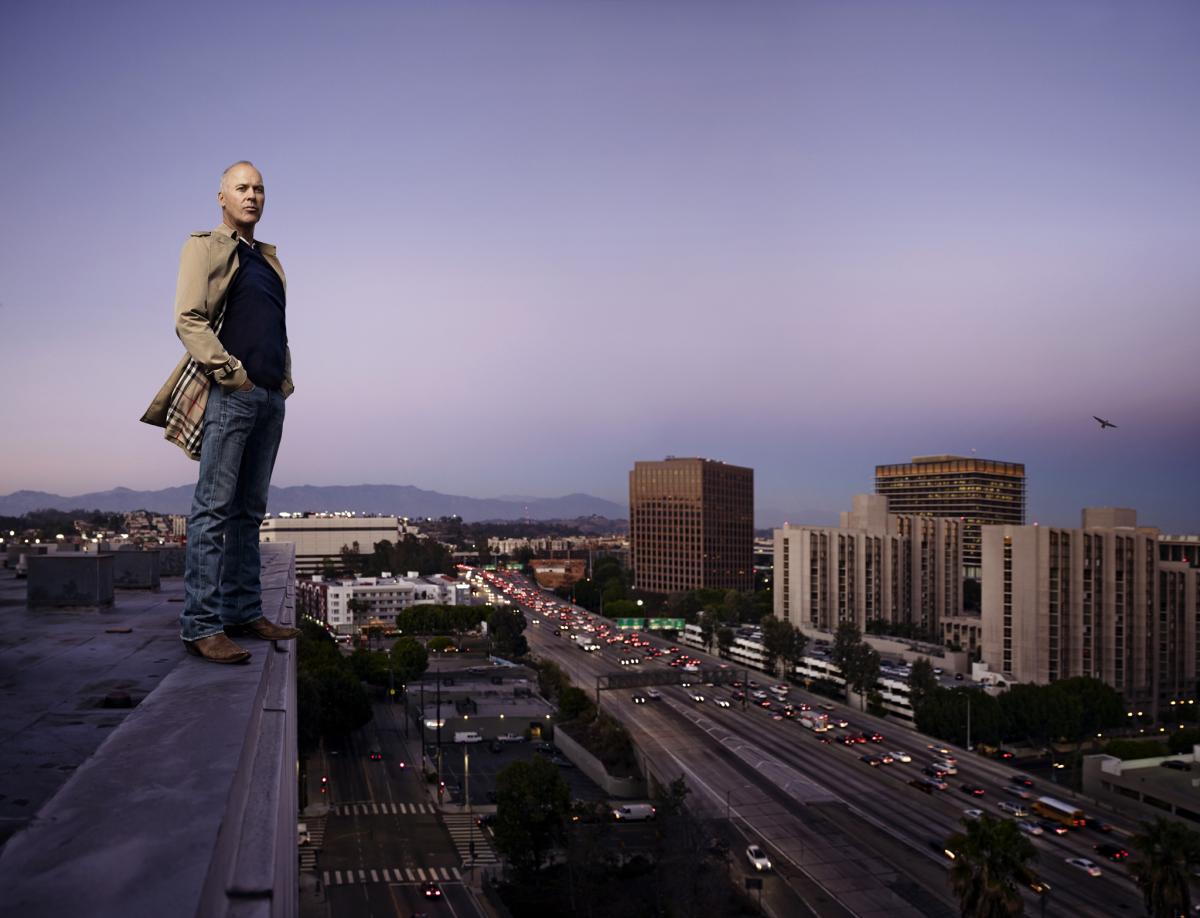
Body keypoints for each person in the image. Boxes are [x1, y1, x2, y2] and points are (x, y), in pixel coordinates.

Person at [141, 161, 298, 663]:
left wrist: (281, 383)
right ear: (221, 197)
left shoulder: (270, 261)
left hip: (271, 397)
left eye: (259, 189)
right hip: (232, 393)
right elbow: (188, 318)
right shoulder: (205, 247)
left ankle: (243, 613)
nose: (252, 196)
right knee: (212, 510)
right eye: (241, 188)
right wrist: (233, 373)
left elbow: (275, 327)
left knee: (249, 513)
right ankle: (201, 626)